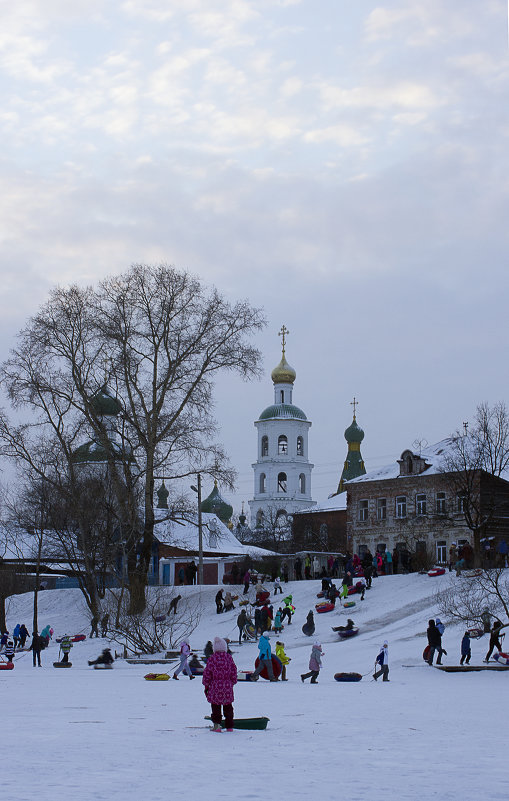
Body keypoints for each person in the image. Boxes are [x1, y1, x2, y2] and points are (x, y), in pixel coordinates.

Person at [202, 636, 238, 732]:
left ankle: (217, 725)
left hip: (215, 686)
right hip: (227, 686)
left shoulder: (212, 659)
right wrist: (232, 682)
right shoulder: (229, 658)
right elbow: (234, 671)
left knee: (216, 706)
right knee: (228, 706)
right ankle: (229, 726)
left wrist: (206, 685)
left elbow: (207, 673)